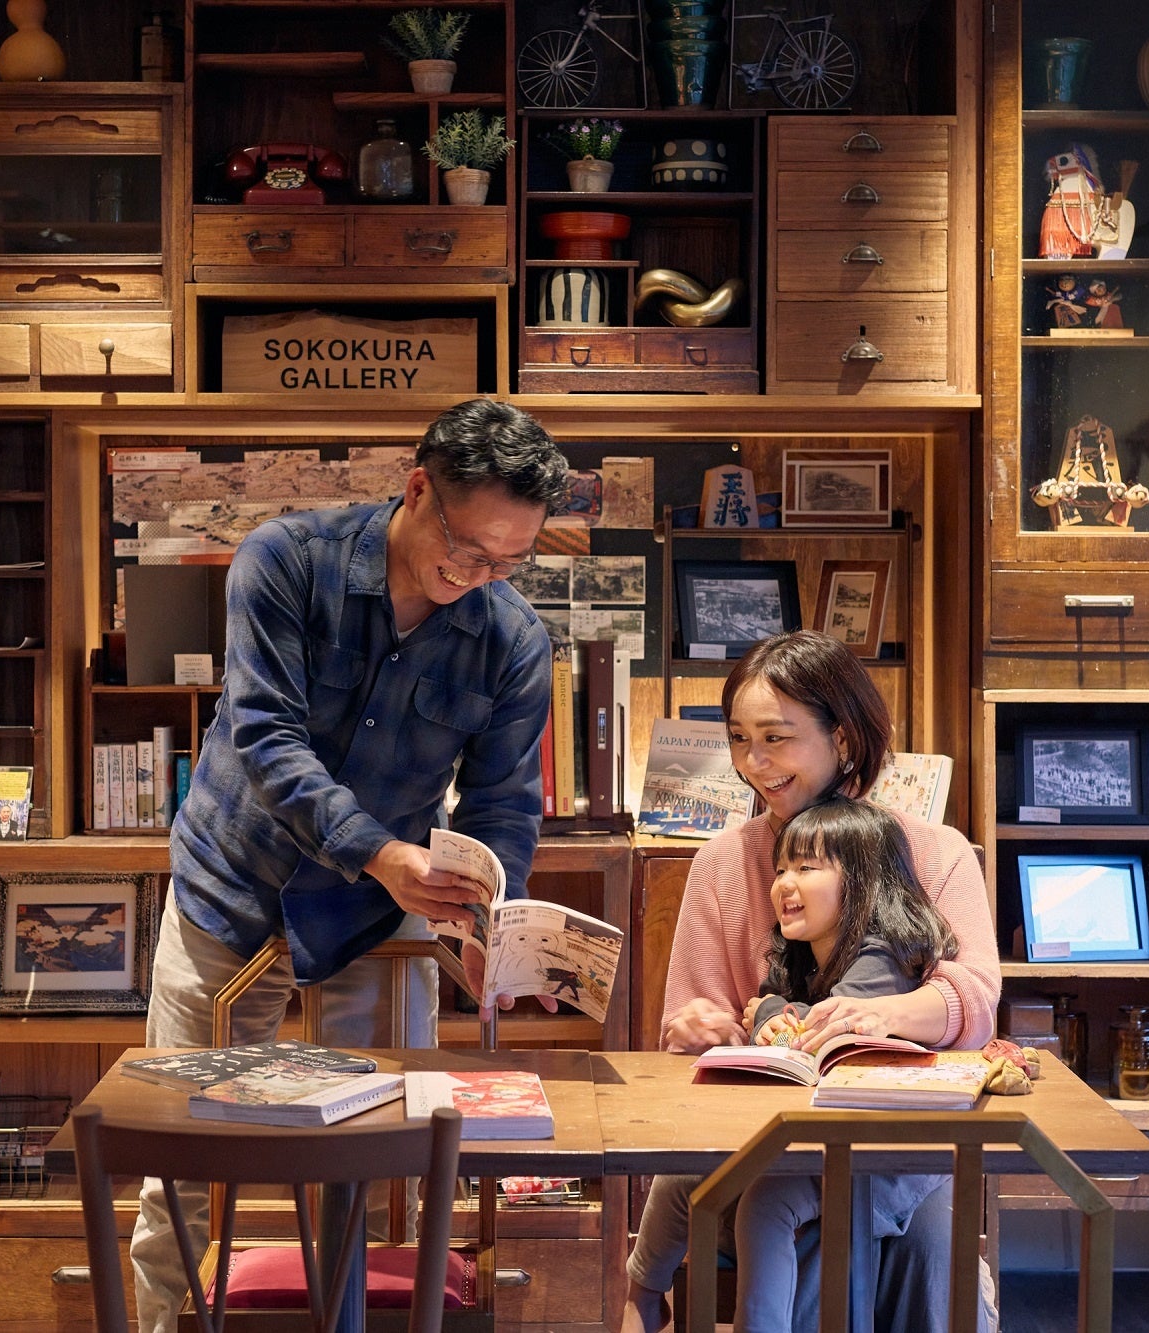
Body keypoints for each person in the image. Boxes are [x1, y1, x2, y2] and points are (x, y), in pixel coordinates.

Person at [131, 399, 570, 1333]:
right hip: (231, 888)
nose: (479, 577)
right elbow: (266, 735)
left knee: (383, 1161)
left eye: (508, 562)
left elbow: (502, 802)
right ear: (417, 490)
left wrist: (494, 923)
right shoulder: (286, 560)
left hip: (378, 915)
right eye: (469, 549)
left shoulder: (513, 639)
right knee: (181, 1158)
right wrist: (377, 850)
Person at [621, 630, 1000, 1333]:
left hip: (899, 1145)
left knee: (925, 1242)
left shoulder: (935, 852)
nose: (753, 763)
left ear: (843, 737)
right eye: (739, 740)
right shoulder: (721, 863)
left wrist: (884, 1016)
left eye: (776, 738)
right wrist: (703, 1026)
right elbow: (693, 1026)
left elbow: (973, 998)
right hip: (759, 1143)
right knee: (790, 1211)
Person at [732, 797, 961, 1333]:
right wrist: (769, 1012)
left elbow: (810, 1034)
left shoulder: (885, 957)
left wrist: (767, 1013)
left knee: (766, 1203)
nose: (785, 883)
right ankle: (644, 1294)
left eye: (806, 868)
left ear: (863, 881)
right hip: (835, 1145)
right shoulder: (800, 955)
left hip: (893, 1159)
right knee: (682, 1179)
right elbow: (776, 1018)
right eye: (780, 870)